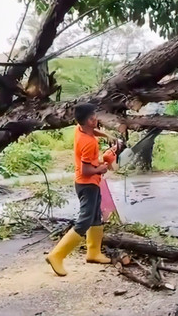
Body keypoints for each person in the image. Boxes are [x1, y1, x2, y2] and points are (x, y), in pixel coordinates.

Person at [46, 103, 116, 277]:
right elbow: (86, 170)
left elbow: (93, 131)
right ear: (87, 122)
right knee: (85, 220)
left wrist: (106, 134)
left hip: (89, 182)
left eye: (95, 116)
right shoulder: (88, 143)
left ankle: (94, 253)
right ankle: (57, 255)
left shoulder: (80, 129)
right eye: (93, 119)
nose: (96, 120)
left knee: (95, 216)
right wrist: (101, 168)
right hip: (87, 183)